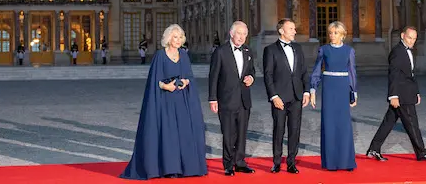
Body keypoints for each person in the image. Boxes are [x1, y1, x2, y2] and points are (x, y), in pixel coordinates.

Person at [120, 24, 207, 180]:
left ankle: (185, 167)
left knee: (182, 133)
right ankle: (169, 168)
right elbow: (155, 80)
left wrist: (185, 82)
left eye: (180, 37)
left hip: (181, 101)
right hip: (165, 101)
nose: (178, 40)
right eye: (175, 37)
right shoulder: (160, 56)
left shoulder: (184, 55)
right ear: (168, 38)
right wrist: (167, 86)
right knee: (169, 134)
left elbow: (189, 76)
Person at [366, 26, 426, 162]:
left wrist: (416, 92)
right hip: (401, 96)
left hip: (407, 93)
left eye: (414, 39)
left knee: (388, 122)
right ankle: (421, 152)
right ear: (402, 36)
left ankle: (374, 148)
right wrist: (393, 95)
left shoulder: (408, 52)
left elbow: (410, 75)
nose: (412, 41)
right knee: (412, 123)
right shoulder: (397, 52)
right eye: (409, 38)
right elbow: (393, 75)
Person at [208, 21, 256, 176]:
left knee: (242, 133)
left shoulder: (248, 51)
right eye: (239, 33)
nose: (242, 37)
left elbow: (252, 71)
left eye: (244, 34)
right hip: (226, 100)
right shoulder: (220, 52)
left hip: (244, 99)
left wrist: (251, 78)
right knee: (228, 134)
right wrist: (213, 98)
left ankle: (240, 162)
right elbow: (213, 76)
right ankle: (228, 164)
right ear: (231, 33)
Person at [310, 21, 358, 171]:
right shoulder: (323, 50)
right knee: (329, 124)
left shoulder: (349, 50)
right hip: (329, 88)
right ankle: (330, 162)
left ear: (342, 35)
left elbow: (352, 73)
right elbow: (317, 70)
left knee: (344, 125)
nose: (332, 35)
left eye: (335, 33)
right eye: (330, 32)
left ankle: (346, 162)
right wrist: (313, 90)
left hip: (343, 88)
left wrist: (353, 92)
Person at [263, 18, 309, 174]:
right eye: (291, 29)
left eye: (294, 29)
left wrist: (307, 91)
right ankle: (276, 163)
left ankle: (291, 163)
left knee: (295, 131)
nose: (294, 31)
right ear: (281, 30)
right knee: (279, 130)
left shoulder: (298, 48)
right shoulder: (270, 50)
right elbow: (268, 75)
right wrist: (274, 96)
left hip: (296, 97)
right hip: (279, 98)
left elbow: (303, 72)